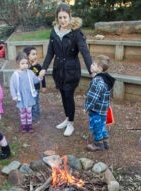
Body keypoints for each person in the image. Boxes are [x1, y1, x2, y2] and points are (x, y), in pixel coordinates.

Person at [39, 3, 92, 137]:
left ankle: (71, 123)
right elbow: (50, 52)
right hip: (59, 70)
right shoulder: (54, 32)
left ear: (70, 16)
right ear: (57, 18)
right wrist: (44, 68)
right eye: (60, 17)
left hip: (71, 70)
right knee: (63, 94)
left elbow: (85, 52)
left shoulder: (76, 33)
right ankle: (67, 118)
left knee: (68, 95)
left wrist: (92, 68)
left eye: (65, 17)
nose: (63, 20)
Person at [84, 55, 115, 151]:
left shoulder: (97, 80)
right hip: (103, 109)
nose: (91, 65)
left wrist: (87, 107)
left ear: (99, 68)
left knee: (96, 126)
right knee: (102, 125)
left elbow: (93, 97)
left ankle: (98, 144)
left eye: (93, 64)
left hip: (96, 109)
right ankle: (106, 142)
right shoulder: (105, 79)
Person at [9, 52, 42, 133]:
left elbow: (35, 80)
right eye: (22, 63)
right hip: (21, 96)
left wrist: (40, 77)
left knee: (29, 111)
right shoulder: (15, 74)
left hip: (29, 96)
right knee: (23, 111)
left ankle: (29, 125)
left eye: (26, 63)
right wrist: (14, 96)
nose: (25, 65)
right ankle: (24, 125)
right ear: (18, 63)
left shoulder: (30, 72)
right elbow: (12, 86)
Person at [23, 46, 47, 120]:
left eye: (36, 54)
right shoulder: (25, 66)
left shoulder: (38, 66)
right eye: (33, 54)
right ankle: (28, 114)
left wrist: (43, 86)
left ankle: (35, 116)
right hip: (26, 89)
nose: (35, 56)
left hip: (35, 89)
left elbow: (42, 76)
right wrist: (32, 66)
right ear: (27, 56)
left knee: (35, 102)